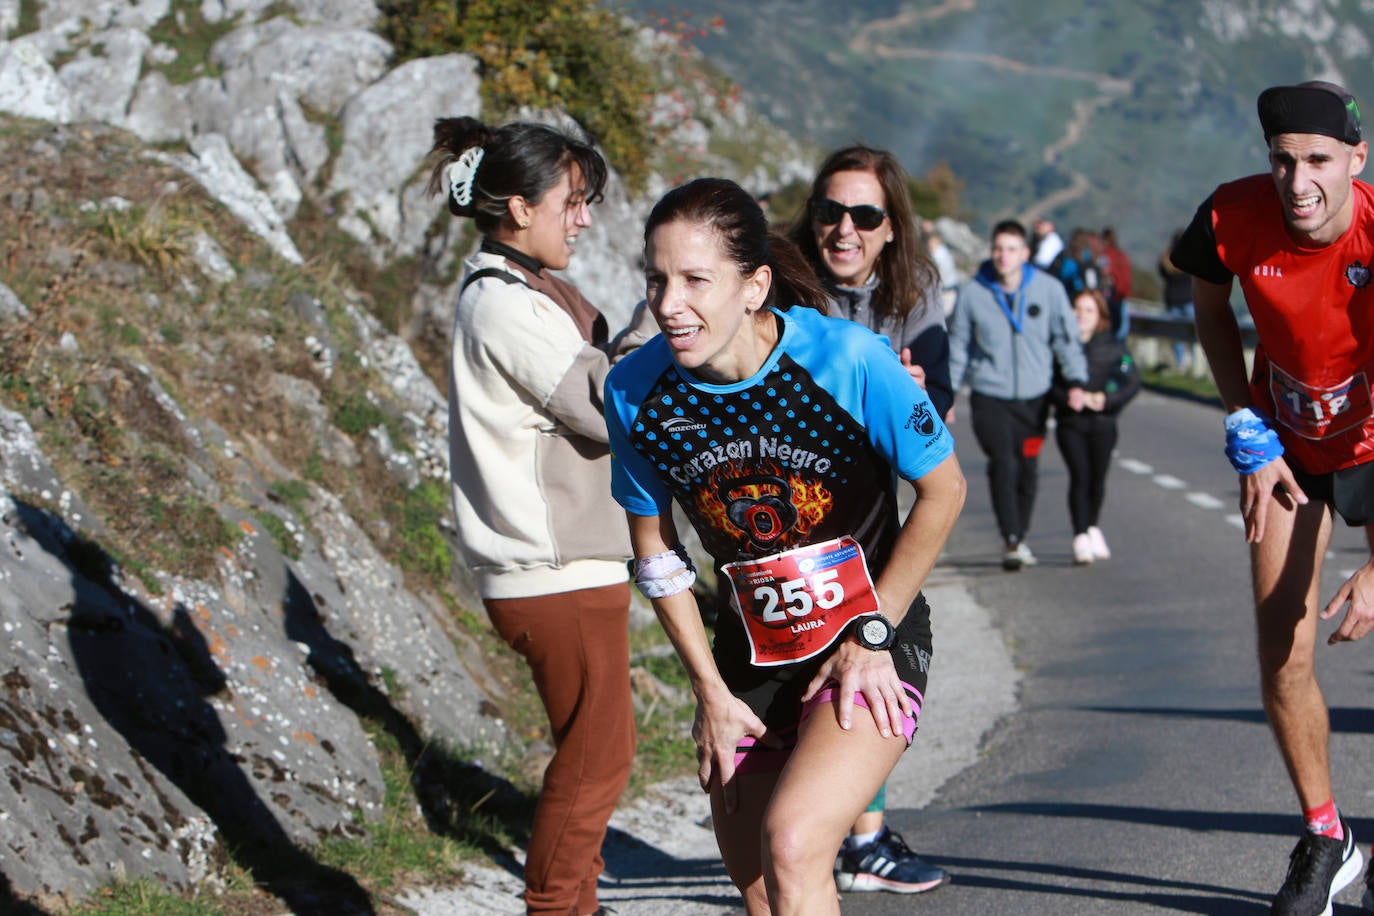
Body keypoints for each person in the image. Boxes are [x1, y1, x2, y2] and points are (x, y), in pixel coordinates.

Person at [605, 178, 965, 915]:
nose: (669, 304)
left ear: (754, 285)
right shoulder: (635, 392)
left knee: (797, 844)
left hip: (869, 640)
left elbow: (945, 490)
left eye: (695, 280)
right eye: (656, 280)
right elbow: (657, 553)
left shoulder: (850, 358)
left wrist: (873, 631)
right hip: (747, 660)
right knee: (763, 886)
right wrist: (708, 690)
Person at [1170, 80, 1374, 916]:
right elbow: (1207, 301)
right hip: (1287, 448)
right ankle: (1327, 837)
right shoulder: (1228, 217)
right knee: (1283, 648)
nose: (1298, 183)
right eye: (1283, 161)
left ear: (1356, 162)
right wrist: (1244, 422)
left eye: (1319, 161)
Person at [429, 116, 637, 916]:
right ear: (518, 207)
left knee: (594, 754)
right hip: (553, 572)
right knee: (599, 761)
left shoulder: (521, 292)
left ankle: (574, 904)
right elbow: (603, 405)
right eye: (572, 202)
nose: (583, 219)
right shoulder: (502, 304)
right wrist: (668, 309)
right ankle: (557, 907)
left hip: (561, 571)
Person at [788, 145, 951, 895]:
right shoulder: (779, 279)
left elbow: (940, 402)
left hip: (872, 517)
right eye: (830, 211)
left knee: (863, 655)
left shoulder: (914, 291)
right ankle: (840, 835)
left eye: (864, 216)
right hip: (783, 514)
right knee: (813, 673)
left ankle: (855, 833)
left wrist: (910, 396)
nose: (844, 230)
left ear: (892, 229)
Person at [950, 219, 1088, 570]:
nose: (1003, 256)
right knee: (1004, 462)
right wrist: (946, 394)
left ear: (1025, 254)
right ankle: (1010, 537)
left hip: (1035, 398)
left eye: (1011, 249)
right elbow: (959, 347)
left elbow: (1065, 338)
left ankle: (1020, 533)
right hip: (988, 394)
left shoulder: (1050, 289)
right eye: (998, 249)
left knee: (1027, 466)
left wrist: (1076, 381)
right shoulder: (973, 293)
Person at [1050, 288, 1139, 564]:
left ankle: (1091, 527)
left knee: (1097, 479)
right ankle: (1079, 535)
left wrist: (1106, 399)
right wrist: (1069, 398)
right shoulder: (1060, 346)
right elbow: (1047, 384)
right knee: (1080, 474)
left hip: (1103, 423)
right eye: (1077, 309)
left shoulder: (1114, 347)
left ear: (1100, 315)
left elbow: (1132, 382)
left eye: (1089, 310)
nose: (1081, 316)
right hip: (1071, 423)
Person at [1157, 229, 1195, 370]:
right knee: (1194, 333)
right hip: (1188, 299)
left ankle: (1181, 363)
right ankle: (1193, 361)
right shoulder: (1192, 256)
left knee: (1176, 335)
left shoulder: (1166, 259)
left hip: (1172, 300)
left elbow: (1162, 273)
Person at [1100, 227, 1133, 338]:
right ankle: (1121, 354)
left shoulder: (1105, 256)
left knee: (1112, 331)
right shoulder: (1121, 255)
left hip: (1111, 296)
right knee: (1121, 332)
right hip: (1122, 295)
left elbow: (1105, 274)